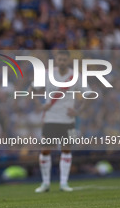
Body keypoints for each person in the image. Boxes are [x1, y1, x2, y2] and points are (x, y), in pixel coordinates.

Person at [33, 50, 89, 193]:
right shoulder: (47, 74)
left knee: (66, 149)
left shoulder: (76, 76)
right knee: (45, 150)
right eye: (60, 59)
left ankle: (64, 183)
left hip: (68, 119)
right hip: (50, 118)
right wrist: (39, 106)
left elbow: (89, 94)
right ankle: (45, 183)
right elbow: (32, 88)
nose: (62, 62)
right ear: (56, 60)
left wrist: (78, 111)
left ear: (68, 60)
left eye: (65, 59)